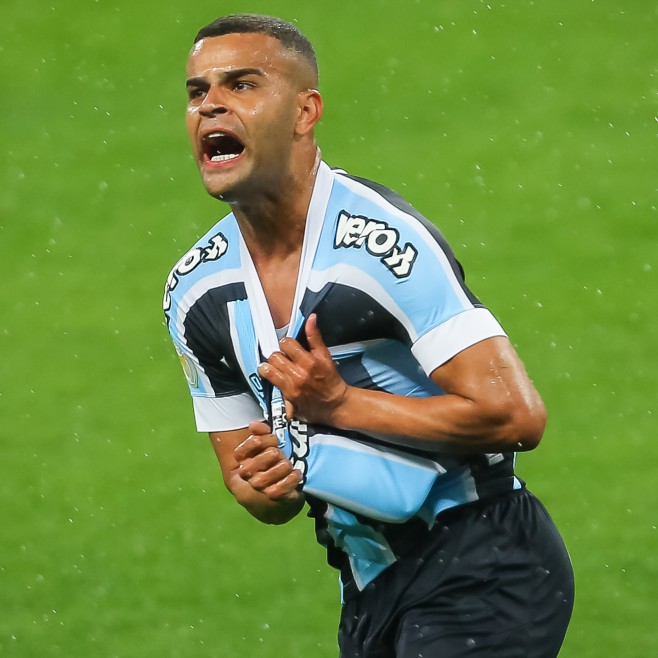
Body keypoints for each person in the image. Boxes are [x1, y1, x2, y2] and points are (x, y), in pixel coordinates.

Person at [163, 13, 574, 657]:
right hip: (367, 587)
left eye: (242, 84)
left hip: (484, 562)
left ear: (305, 112)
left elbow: (516, 416)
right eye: (197, 91)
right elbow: (252, 486)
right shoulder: (194, 293)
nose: (210, 103)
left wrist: (343, 407)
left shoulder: (384, 248)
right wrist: (264, 481)